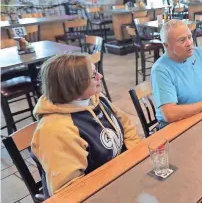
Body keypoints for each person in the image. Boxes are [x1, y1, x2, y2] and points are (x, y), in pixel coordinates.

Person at [31, 54, 141, 197]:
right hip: (100, 192)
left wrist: (135, 157)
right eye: (93, 75)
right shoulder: (55, 131)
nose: (100, 76)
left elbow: (125, 125)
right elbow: (69, 192)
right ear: (73, 85)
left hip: (122, 175)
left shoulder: (95, 98)